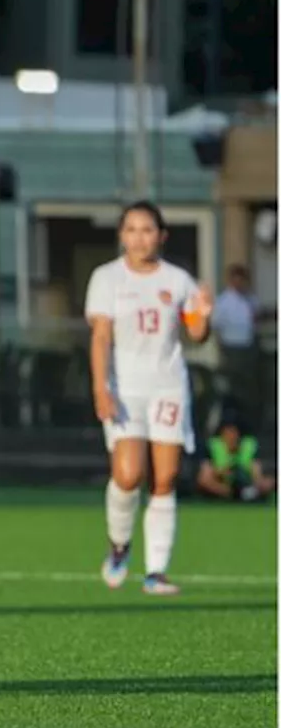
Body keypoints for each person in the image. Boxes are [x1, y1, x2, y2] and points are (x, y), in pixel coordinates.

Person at [86, 201, 213, 597]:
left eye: (147, 230)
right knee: (128, 475)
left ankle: (156, 571)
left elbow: (197, 335)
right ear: (121, 235)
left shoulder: (178, 281)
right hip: (125, 388)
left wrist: (203, 317)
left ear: (162, 236)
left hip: (168, 385)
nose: (139, 238)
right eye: (131, 230)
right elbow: (101, 336)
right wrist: (100, 388)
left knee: (166, 477)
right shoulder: (107, 278)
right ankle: (119, 545)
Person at [212, 265, 262, 426]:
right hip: (231, 349)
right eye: (236, 279)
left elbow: (255, 321)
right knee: (232, 389)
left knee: (250, 389)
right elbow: (217, 327)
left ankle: (249, 422)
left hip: (248, 349)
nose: (239, 282)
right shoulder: (224, 301)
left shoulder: (251, 299)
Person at [197, 417, 274, 502]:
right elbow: (205, 476)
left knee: (268, 483)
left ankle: (246, 493)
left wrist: (255, 480)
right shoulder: (213, 446)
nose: (231, 437)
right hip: (222, 483)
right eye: (228, 433)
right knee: (205, 480)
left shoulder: (249, 445)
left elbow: (256, 470)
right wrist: (222, 472)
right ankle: (238, 495)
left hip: (245, 482)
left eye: (234, 433)